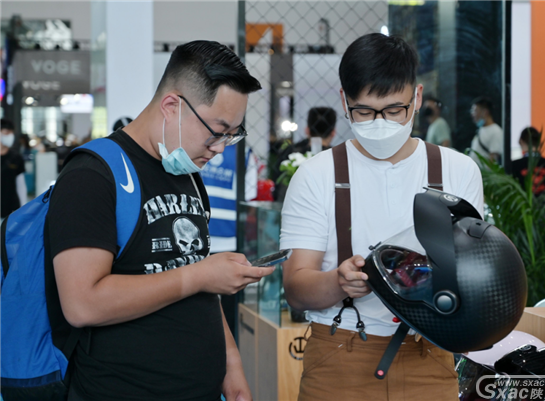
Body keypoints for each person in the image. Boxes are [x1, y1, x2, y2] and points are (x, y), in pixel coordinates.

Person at [46, 40, 273, 401]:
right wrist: (199, 276)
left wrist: (232, 366)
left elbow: (200, 282)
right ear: (171, 106)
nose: (220, 148)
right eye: (217, 131)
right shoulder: (92, 176)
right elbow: (82, 304)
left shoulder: (186, 172)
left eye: (232, 135)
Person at [280, 33, 483, 401]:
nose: (380, 122)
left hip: (430, 356)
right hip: (339, 357)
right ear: (344, 101)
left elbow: (472, 273)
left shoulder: (458, 170)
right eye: (364, 111)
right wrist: (338, 281)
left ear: (417, 97)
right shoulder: (316, 174)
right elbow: (295, 288)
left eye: (393, 110)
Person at [274, 107, 337, 199]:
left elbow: (277, 188)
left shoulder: (290, 154)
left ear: (307, 130)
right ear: (333, 132)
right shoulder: (338, 157)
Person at [511, 126, 545, 195]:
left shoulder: (514, 165)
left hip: (522, 202)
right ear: (539, 143)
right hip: (544, 202)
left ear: (521, 141)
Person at [1, 118, 27, 220]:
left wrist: (24, 207)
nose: (10, 136)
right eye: (6, 132)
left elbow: (21, 185)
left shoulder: (16, 157)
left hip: (11, 209)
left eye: (11, 133)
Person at [469, 96, 503, 165]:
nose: (472, 114)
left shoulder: (496, 131)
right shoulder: (480, 129)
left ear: (485, 112)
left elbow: (493, 161)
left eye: (475, 110)